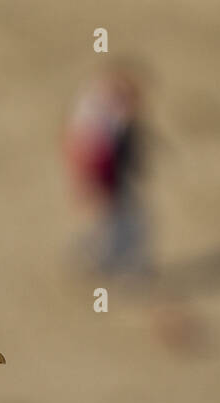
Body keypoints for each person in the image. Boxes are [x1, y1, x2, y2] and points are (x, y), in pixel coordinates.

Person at [63, 65, 150, 276]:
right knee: (122, 226)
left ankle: (93, 259)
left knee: (117, 225)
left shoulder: (94, 110)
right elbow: (91, 156)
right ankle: (101, 262)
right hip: (110, 181)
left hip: (114, 180)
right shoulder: (101, 117)